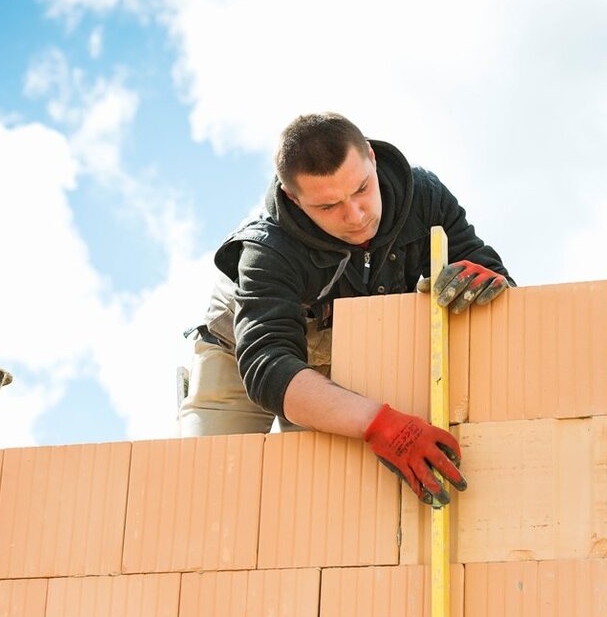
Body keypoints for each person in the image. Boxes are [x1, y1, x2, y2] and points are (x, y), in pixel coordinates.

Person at [180, 112, 513, 506]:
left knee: (319, 499)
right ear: (294, 199)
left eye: (361, 189)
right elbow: (268, 369)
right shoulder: (267, 249)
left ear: (371, 158)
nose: (355, 216)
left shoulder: (422, 196)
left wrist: (490, 279)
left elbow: (485, 268)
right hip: (244, 352)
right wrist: (382, 425)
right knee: (205, 491)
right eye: (328, 206)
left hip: (341, 345)